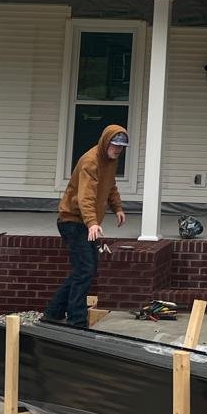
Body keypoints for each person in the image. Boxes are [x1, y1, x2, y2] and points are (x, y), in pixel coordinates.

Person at [43, 124, 128, 328]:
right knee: (85, 269)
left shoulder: (110, 161)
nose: (118, 150)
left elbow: (110, 186)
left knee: (84, 269)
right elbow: (85, 196)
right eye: (115, 145)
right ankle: (77, 320)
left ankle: (53, 312)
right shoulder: (90, 162)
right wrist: (92, 223)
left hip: (86, 223)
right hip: (72, 221)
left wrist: (117, 208)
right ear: (105, 142)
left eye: (121, 147)